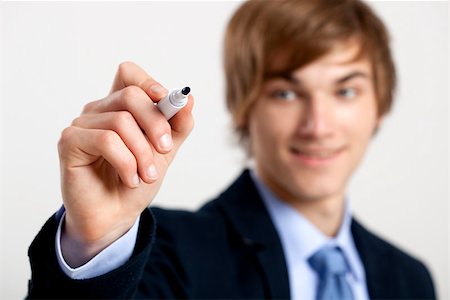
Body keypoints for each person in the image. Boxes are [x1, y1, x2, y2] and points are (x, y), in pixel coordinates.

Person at [27, 0, 436, 299]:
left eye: (345, 90)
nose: (318, 126)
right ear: (243, 106)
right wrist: (95, 240)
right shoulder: (164, 256)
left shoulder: (410, 280)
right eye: (286, 93)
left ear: (379, 104)